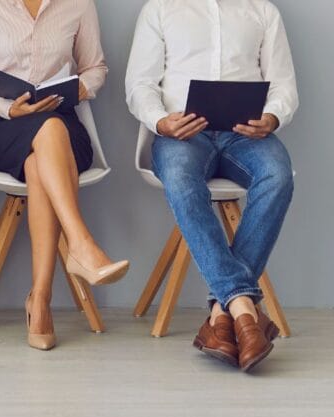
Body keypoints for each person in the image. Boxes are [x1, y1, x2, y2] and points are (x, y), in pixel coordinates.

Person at [126, 0, 297, 372]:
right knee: (183, 183)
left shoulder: (262, 11)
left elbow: (284, 84)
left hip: (245, 135)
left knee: (278, 176)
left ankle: (224, 313)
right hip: (183, 135)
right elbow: (139, 84)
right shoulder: (160, 9)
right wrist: (161, 122)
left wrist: (272, 116)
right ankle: (245, 311)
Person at [0, 0, 129, 351]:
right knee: (43, 141)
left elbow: (95, 67)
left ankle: (39, 300)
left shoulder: (78, 3)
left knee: (41, 157)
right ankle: (80, 245)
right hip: (0, 124)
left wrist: (77, 90)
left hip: (63, 125)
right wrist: (9, 107)